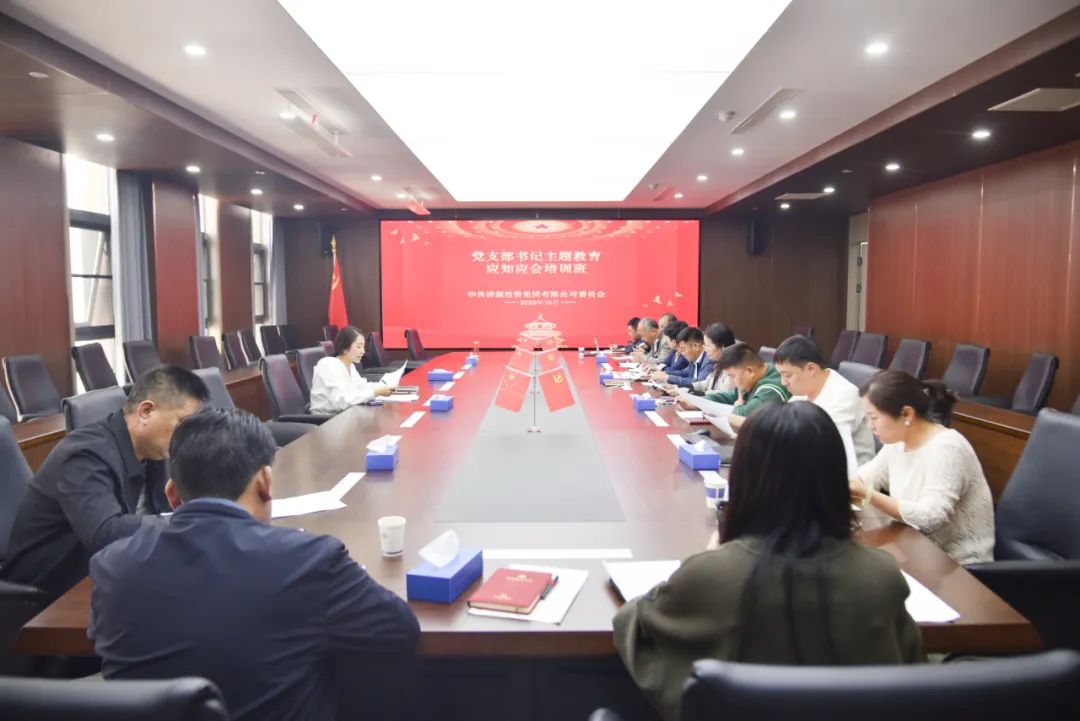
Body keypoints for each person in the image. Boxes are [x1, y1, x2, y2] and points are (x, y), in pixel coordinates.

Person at [89, 408, 420, 721]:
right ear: (265, 482)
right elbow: (399, 629)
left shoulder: (112, 567)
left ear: (172, 495)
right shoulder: (309, 560)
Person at [614, 402, 922, 721]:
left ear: (745, 476)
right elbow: (906, 671)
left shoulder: (712, 574)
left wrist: (707, 556)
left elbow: (636, 623)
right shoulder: (880, 576)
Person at [0, 365, 209, 599]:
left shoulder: (153, 450)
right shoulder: (84, 454)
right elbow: (105, 533)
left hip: (107, 571)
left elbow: (161, 509)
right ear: (146, 411)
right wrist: (188, 522)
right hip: (45, 596)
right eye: (182, 424)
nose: (186, 436)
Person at [851, 370, 994, 564]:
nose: (869, 426)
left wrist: (868, 494)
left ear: (906, 413)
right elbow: (865, 478)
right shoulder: (897, 442)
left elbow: (930, 518)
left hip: (957, 565)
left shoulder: (948, 448)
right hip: (914, 549)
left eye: (873, 417)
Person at [773, 334, 876, 465]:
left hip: (847, 472)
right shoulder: (804, 389)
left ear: (811, 369)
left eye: (788, 375)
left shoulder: (843, 396)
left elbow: (824, 448)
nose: (783, 382)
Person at [704, 342, 791, 431]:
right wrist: (702, 401)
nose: (732, 381)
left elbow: (742, 416)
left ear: (749, 371)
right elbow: (730, 396)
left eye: (732, 376)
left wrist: (737, 407)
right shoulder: (757, 375)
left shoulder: (771, 390)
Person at [309, 326, 394, 413]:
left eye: (363, 347)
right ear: (345, 348)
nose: (363, 351)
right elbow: (341, 402)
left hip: (344, 414)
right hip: (327, 418)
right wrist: (375, 392)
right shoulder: (329, 365)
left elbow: (361, 387)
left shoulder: (349, 365)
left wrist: (384, 387)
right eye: (359, 347)